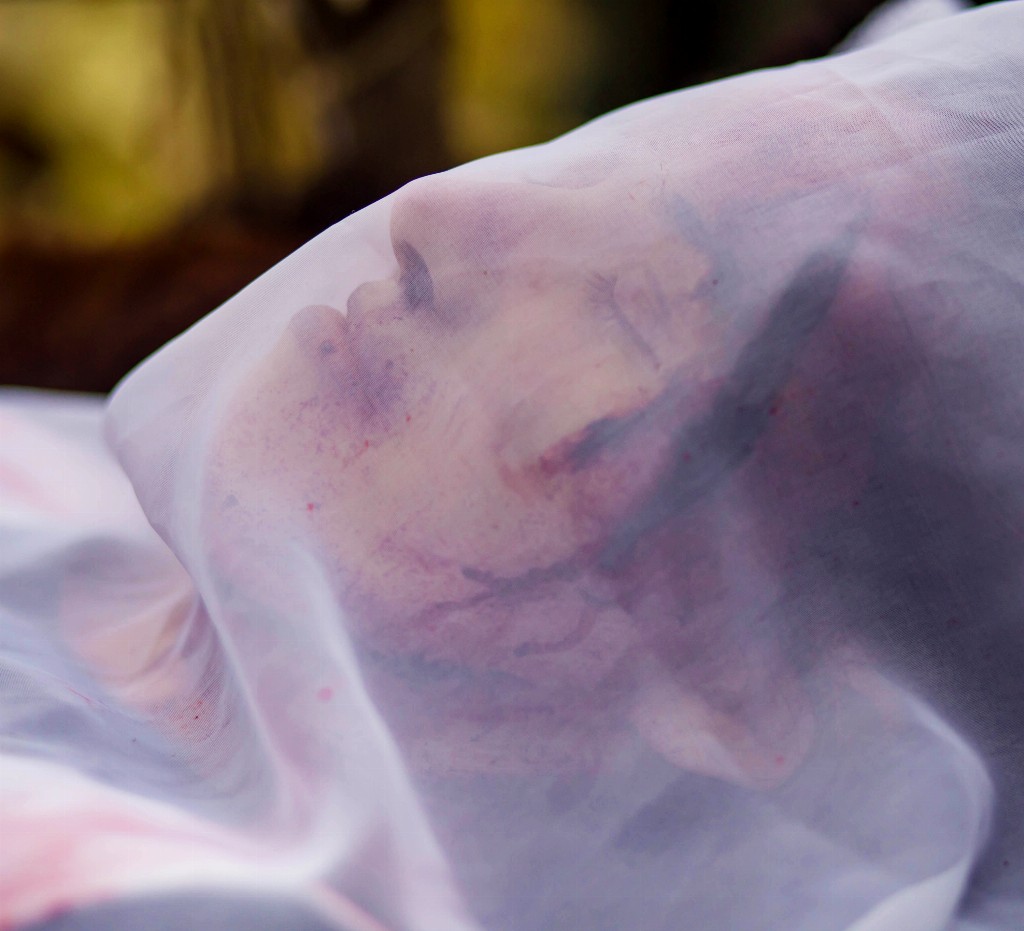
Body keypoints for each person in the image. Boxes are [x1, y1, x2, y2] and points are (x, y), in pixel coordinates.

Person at [2, 2, 1023, 929]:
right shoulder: (70, 492)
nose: (435, 210)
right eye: (596, 167)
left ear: (732, 684)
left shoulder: (156, 898)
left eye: (627, 307)